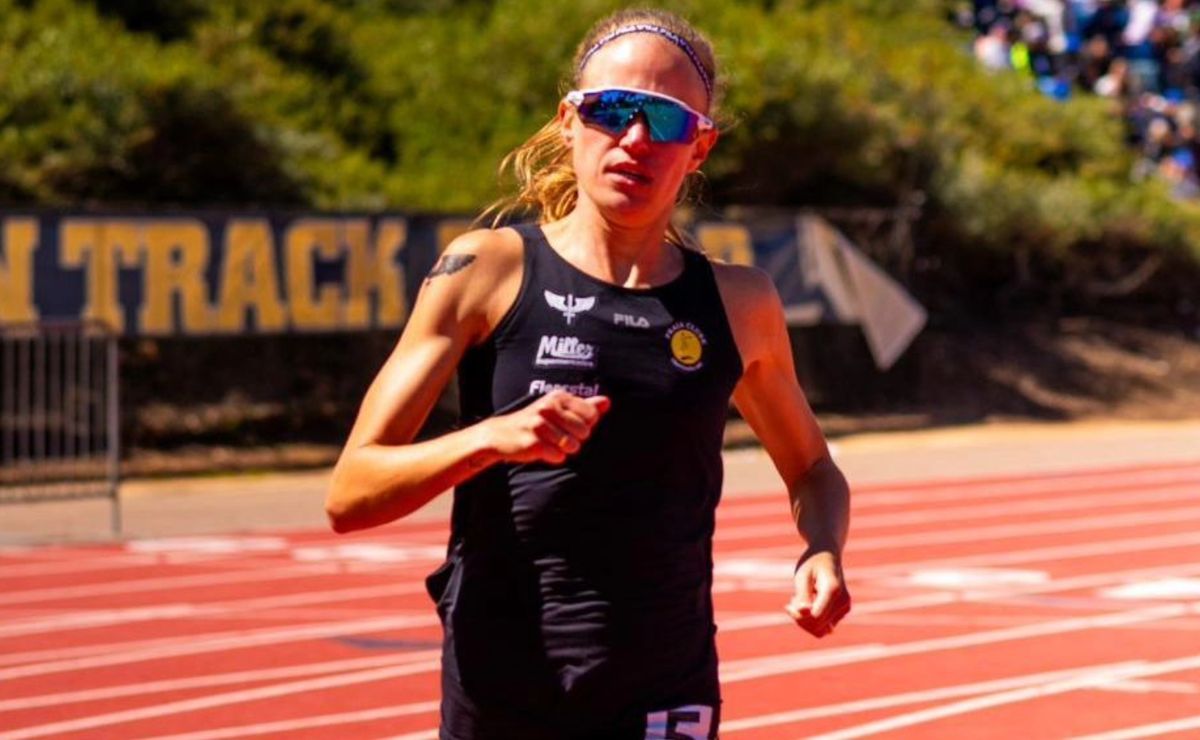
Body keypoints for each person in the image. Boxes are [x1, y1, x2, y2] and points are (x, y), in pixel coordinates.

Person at [325, 9, 851, 739]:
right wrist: (492, 440)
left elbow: (815, 468)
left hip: (666, 684)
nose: (635, 139)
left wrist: (821, 551)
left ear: (699, 148)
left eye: (666, 122)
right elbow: (351, 492)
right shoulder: (485, 270)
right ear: (569, 121)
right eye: (612, 110)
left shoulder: (739, 303)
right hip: (504, 683)